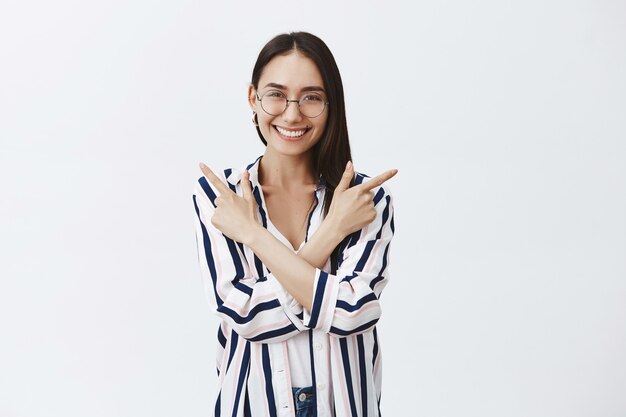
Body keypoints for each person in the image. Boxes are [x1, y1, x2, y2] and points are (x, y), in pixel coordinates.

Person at [192, 31, 397, 417]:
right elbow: (245, 315)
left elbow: (355, 311)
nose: (292, 113)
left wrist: (253, 236)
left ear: (330, 105)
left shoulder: (363, 200)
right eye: (276, 95)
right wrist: (331, 234)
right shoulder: (223, 198)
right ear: (253, 98)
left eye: (311, 97)